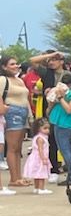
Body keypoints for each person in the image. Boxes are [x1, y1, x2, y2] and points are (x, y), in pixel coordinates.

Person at [47, 72, 71, 188]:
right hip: (60, 121)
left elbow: (69, 109)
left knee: (66, 149)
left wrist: (60, 97)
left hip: (65, 123)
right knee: (66, 149)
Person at [1, 55, 34, 188]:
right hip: (12, 111)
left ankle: (18, 176)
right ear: (4, 66)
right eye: (12, 64)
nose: (16, 66)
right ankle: (14, 178)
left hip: (23, 111)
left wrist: (30, 116)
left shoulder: (19, 80)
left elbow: (26, 98)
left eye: (16, 63)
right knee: (12, 147)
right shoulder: (3, 79)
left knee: (18, 148)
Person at [23, 119, 53, 193]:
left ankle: (36, 188)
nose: (47, 130)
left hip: (35, 158)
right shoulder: (40, 138)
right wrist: (43, 158)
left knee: (36, 174)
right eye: (45, 128)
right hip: (39, 158)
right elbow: (40, 149)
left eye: (48, 128)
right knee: (41, 174)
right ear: (38, 129)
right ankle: (41, 188)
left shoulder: (38, 137)